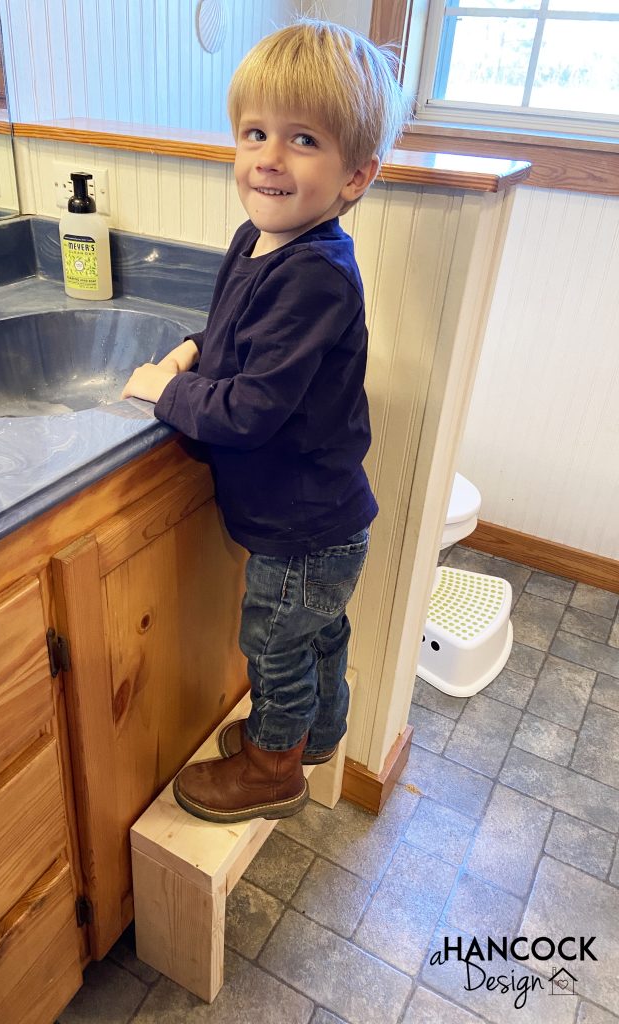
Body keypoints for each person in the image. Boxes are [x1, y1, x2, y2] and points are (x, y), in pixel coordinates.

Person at [121, 19, 409, 824]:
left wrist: (162, 392)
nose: (269, 158)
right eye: (255, 132)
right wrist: (190, 348)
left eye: (303, 139)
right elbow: (236, 335)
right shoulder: (262, 238)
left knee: (275, 641)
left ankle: (273, 769)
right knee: (317, 634)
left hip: (303, 526)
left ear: (356, 176)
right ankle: (318, 729)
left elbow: (249, 409)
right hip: (319, 517)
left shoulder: (316, 274)